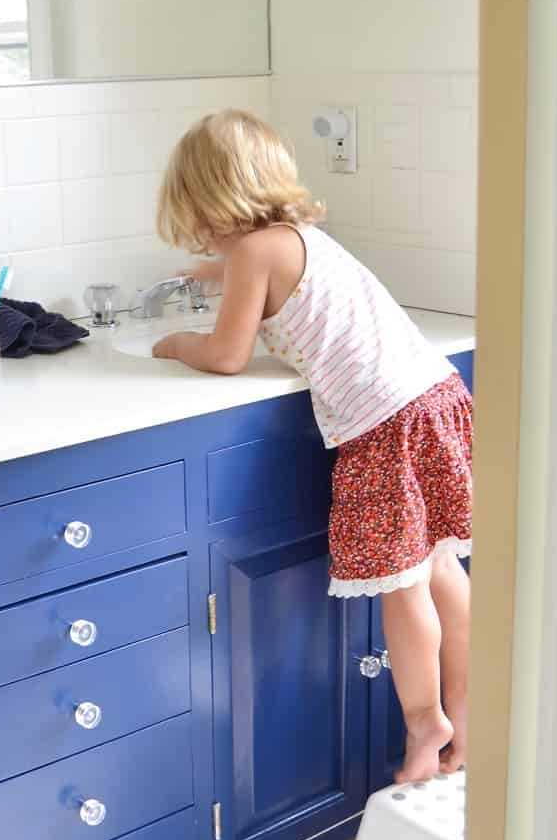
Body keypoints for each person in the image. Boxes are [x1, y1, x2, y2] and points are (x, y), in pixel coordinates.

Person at [153, 109, 472, 782]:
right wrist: (214, 275)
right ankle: (468, 717)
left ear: (208, 198)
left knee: (404, 586)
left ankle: (424, 725)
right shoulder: (295, 238)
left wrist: (176, 343)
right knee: (443, 570)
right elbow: (278, 286)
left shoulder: (251, 252)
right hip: (436, 400)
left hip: (385, 427)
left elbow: (226, 356)